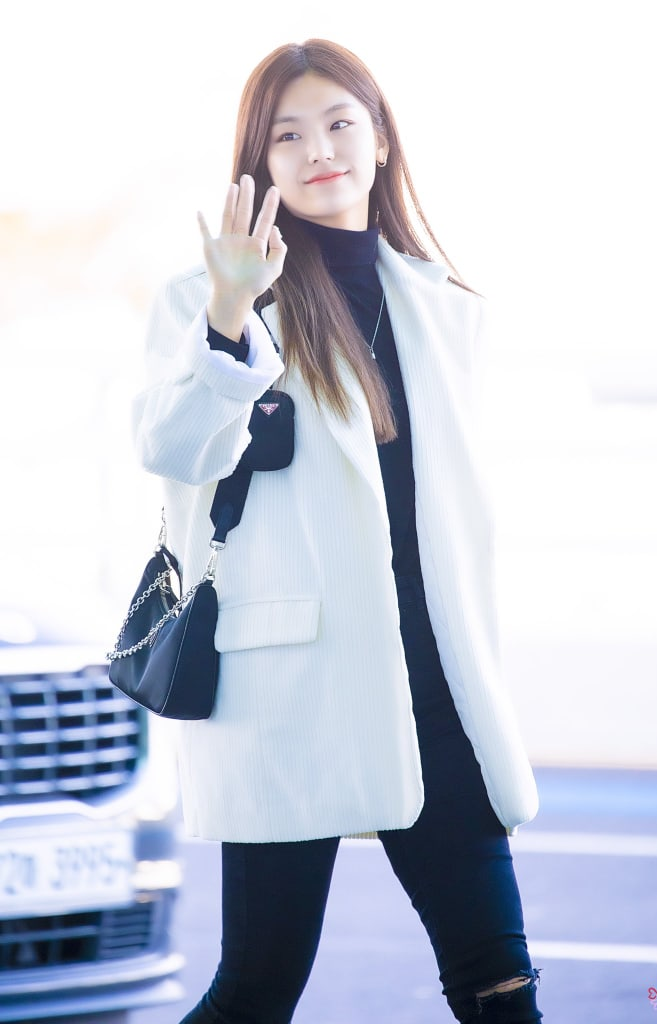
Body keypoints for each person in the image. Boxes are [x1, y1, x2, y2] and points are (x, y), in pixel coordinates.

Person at [133, 38, 543, 1024]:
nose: (318, 149)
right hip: (290, 690)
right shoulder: (205, 300)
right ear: (258, 163)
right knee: (258, 988)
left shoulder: (442, 307)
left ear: (381, 139)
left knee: (500, 985)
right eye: (287, 135)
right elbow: (175, 449)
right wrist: (231, 312)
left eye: (339, 123)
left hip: (436, 686)